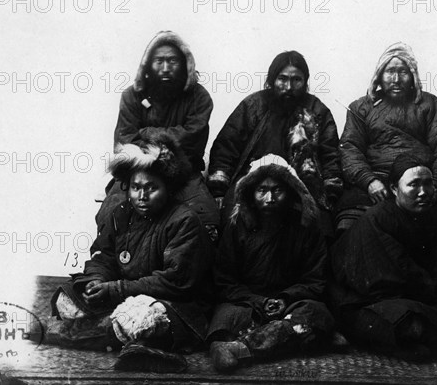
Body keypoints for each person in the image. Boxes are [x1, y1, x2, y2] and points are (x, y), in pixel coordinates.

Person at [48, 133, 215, 373]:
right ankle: (132, 342)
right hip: (123, 292)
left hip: (174, 303)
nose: (142, 196)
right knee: (68, 297)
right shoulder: (120, 213)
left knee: (141, 316)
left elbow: (174, 282)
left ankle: (70, 333)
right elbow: (103, 255)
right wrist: (96, 281)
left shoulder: (184, 220)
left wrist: (115, 289)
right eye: (136, 187)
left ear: (167, 187)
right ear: (128, 186)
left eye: (151, 188)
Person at [330, 155, 437, 361]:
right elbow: (391, 274)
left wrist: (435, 291)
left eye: (428, 184)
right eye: (414, 185)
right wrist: (431, 296)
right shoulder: (377, 218)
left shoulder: (431, 215)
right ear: (394, 189)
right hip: (372, 297)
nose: (423, 192)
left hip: (419, 291)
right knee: (405, 322)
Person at [337, 42, 437, 259]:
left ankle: (432, 281)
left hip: (422, 180)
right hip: (377, 180)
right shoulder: (361, 108)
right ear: (379, 75)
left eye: (403, 71)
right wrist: (368, 181)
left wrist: (434, 185)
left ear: (413, 76)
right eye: (390, 71)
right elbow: (350, 149)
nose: (396, 79)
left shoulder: (428, 105)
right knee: (351, 228)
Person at [207, 154, 335, 372]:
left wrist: (286, 298)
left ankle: (240, 348)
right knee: (224, 319)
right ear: (250, 192)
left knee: (316, 313)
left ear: (290, 191)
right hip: (247, 304)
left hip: (292, 302)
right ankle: (286, 338)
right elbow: (225, 280)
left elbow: (315, 279)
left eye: (277, 190)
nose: (270, 198)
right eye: (261, 190)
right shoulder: (237, 226)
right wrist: (258, 301)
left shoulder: (306, 227)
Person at [96, 31, 219, 240]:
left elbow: (192, 138)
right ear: (147, 64)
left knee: (207, 217)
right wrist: (156, 152)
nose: (165, 68)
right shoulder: (131, 96)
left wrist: (147, 133)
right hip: (137, 171)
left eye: (172, 61)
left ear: (185, 64)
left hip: (183, 172)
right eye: (159, 61)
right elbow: (125, 139)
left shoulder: (200, 97)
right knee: (110, 214)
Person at [207, 50, 342, 238]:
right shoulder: (253, 105)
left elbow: (330, 155)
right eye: (282, 79)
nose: (289, 86)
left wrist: (330, 192)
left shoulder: (317, 111)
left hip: (303, 184)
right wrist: (218, 190)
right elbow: (227, 146)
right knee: (232, 220)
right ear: (272, 80)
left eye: (296, 80)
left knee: (320, 227)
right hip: (252, 182)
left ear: (305, 82)